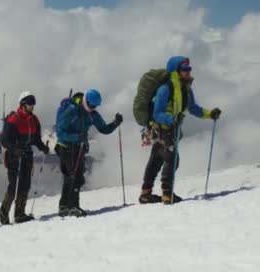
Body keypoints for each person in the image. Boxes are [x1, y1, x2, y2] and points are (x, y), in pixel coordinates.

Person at [140, 56, 222, 205]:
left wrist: (210, 114)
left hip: (169, 129)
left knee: (156, 160)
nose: (188, 71)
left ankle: (146, 193)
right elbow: (157, 113)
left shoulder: (186, 89)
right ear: (176, 71)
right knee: (172, 160)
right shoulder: (165, 89)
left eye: (189, 69)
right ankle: (167, 194)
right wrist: (172, 119)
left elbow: (193, 108)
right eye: (184, 69)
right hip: (164, 129)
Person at [55, 89, 122, 217]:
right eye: (91, 105)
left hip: (78, 148)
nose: (92, 108)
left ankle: (66, 206)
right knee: (72, 175)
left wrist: (115, 123)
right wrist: (76, 138)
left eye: (95, 106)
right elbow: (60, 132)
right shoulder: (71, 110)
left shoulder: (92, 114)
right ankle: (71, 206)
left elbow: (104, 129)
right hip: (64, 146)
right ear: (85, 100)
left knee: (77, 176)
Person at [0, 91, 50, 225]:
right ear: (22, 104)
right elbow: (4, 140)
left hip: (27, 155)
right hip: (14, 157)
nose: (33, 105)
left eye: (33, 103)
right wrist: (15, 150)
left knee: (25, 184)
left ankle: (20, 214)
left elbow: (36, 139)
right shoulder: (13, 119)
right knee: (13, 186)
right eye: (30, 103)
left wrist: (42, 147)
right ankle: (4, 213)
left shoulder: (34, 120)